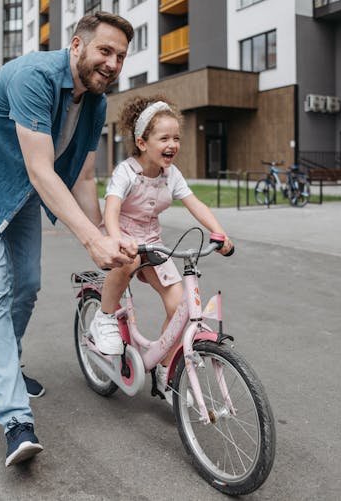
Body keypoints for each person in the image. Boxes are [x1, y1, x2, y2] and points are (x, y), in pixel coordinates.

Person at [0, 12, 136, 467]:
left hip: (21, 187)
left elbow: (84, 176)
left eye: (121, 56)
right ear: (77, 45)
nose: (112, 63)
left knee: (27, 283)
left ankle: (11, 365)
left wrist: (109, 238)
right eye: (105, 50)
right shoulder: (34, 76)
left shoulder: (97, 104)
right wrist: (90, 242)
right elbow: (43, 169)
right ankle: (15, 422)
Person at [89, 96, 234, 400]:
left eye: (177, 138)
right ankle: (104, 316)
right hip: (122, 235)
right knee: (126, 262)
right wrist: (116, 238)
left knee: (179, 306)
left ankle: (164, 369)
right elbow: (111, 210)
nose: (173, 144)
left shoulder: (172, 174)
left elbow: (195, 203)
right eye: (164, 138)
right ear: (142, 142)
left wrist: (219, 232)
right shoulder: (126, 172)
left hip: (152, 241)